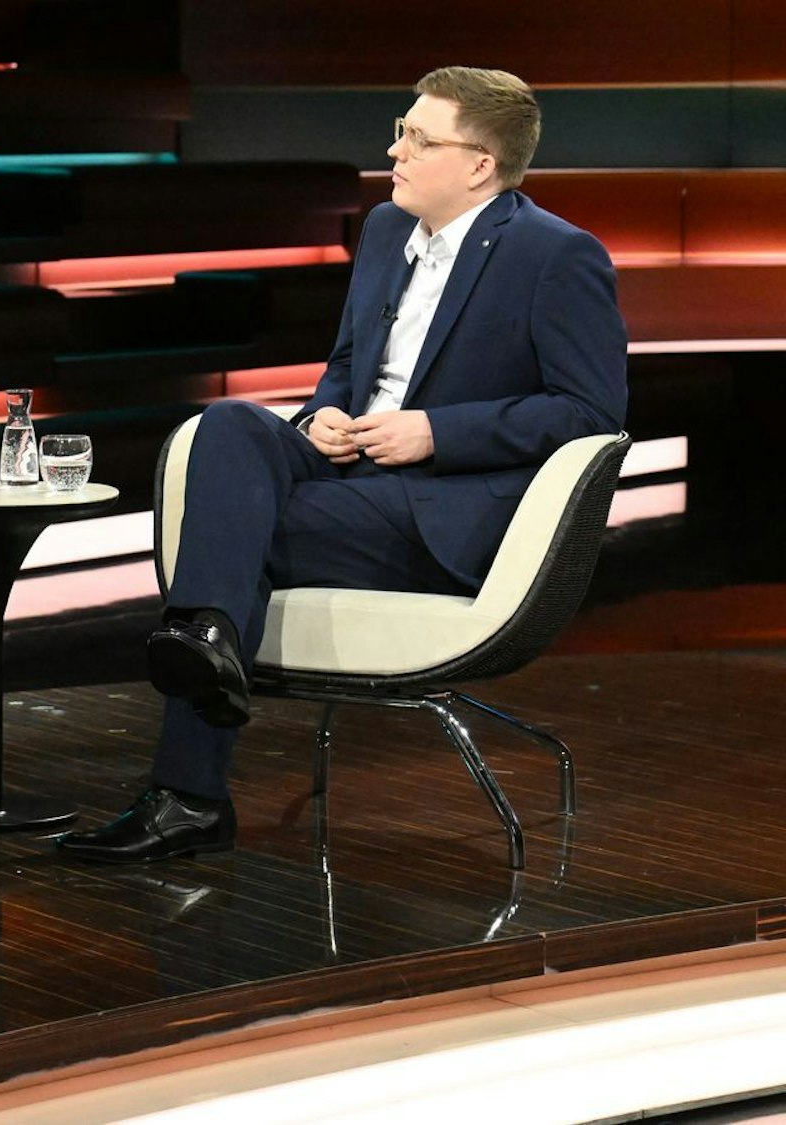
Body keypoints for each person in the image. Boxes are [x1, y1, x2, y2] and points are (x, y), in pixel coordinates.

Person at [59, 66, 628, 863]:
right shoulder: (387, 230)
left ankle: (188, 782)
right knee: (228, 424)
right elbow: (351, 364)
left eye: (419, 139)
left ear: (479, 166)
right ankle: (209, 639)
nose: (394, 150)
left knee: (233, 534)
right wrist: (320, 413)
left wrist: (436, 432)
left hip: (438, 508)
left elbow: (591, 414)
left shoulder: (557, 257)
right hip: (352, 467)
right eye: (400, 129)